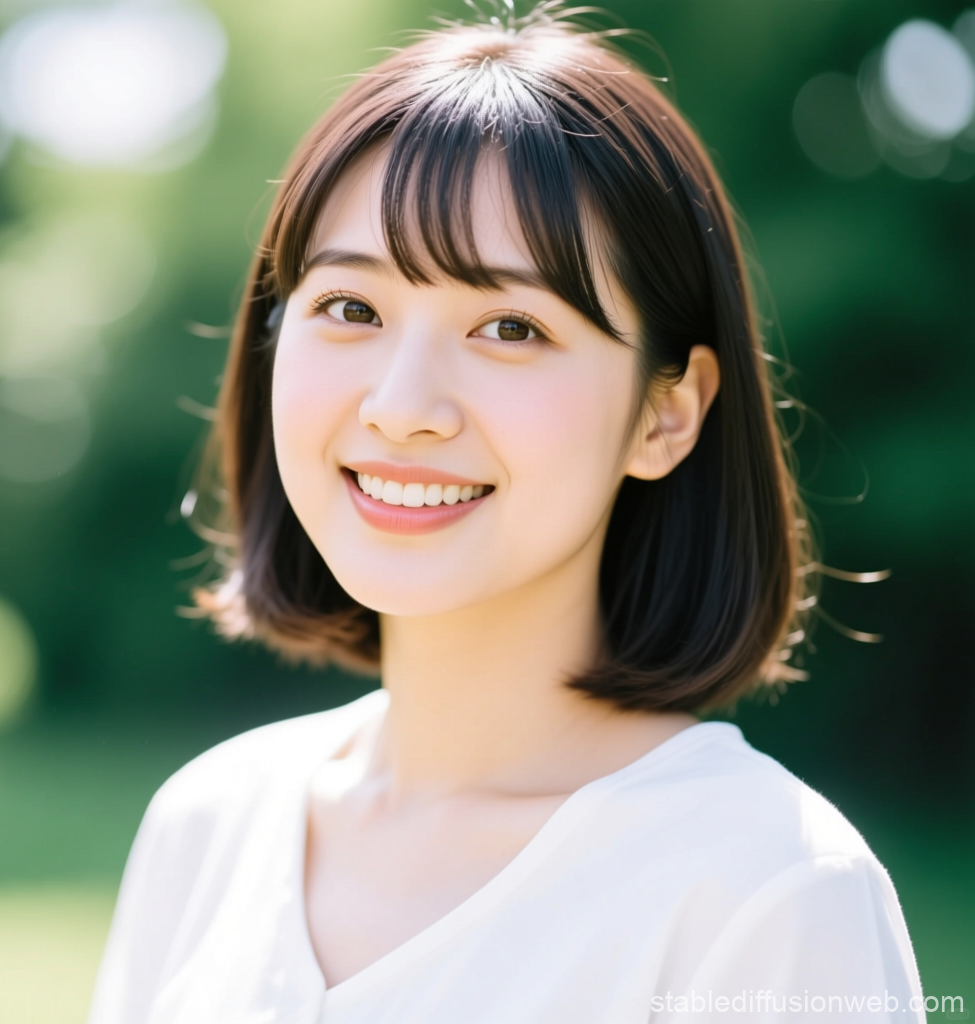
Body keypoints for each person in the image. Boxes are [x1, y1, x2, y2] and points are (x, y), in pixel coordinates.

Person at [88, 9, 924, 1023]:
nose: (400, 405)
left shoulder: (767, 890)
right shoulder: (209, 823)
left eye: (509, 326)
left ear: (664, 414)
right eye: (351, 309)